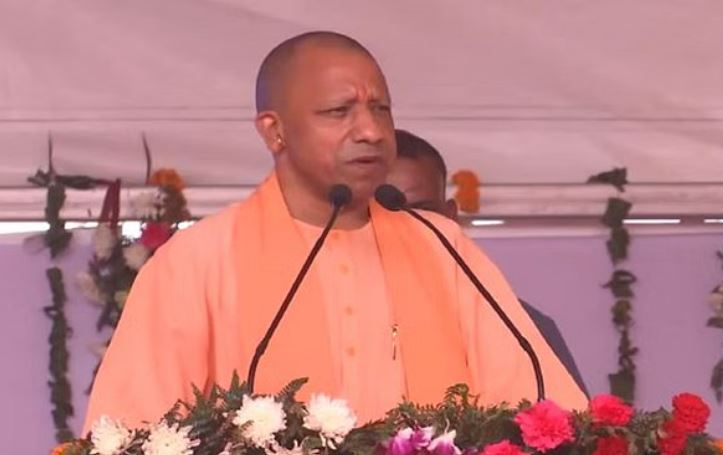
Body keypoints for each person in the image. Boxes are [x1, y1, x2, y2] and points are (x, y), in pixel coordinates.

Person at [83, 31, 587, 434]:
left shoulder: (442, 247)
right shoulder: (197, 262)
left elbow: (544, 409)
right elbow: (133, 432)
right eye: (339, 112)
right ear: (274, 131)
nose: (370, 131)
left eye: (380, 109)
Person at [387, 129, 588, 395]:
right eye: (387, 213)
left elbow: (564, 417)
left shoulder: (516, 323)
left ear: (450, 216)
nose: (408, 227)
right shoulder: (340, 314)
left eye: (424, 211)